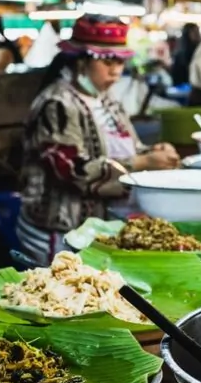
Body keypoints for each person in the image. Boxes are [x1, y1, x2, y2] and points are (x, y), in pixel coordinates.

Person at [16, 15, 180, 263]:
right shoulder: (57, 104)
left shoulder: (108, 101)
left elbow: (129, 148)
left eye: (120, 61)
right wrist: (142, 162)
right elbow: (71, 171)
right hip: (59, 232)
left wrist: (153, 151)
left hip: (99, 228)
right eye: (106, 61)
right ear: (81, 62)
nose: (115, 70)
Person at [170, 23, 200, 87]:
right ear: (187, 34)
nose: (198, 34)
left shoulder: (199, 48)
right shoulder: (182, 52)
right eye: (195, 32)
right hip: (185, 86)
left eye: (198, 31)